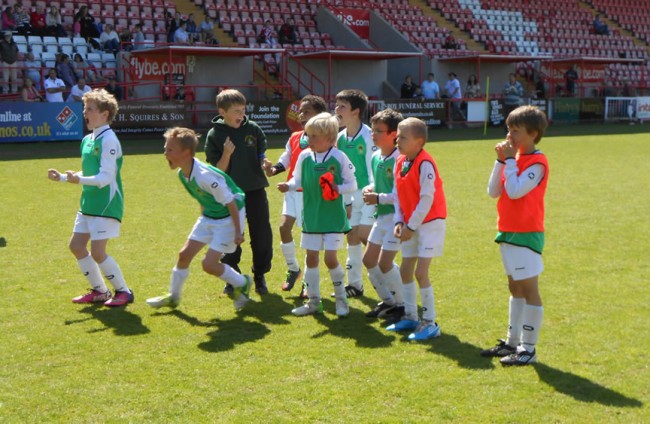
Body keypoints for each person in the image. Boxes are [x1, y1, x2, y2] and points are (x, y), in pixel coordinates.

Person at [146, 127, 252, 311]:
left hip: (228, 218)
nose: (165, 153)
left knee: (208, 265)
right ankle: (173, 296)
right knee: (184, 255)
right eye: (165, 148)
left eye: (169, 150)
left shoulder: (205, 176)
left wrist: (237, 231)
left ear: (186, 152)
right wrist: (204, 220)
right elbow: (202, 198)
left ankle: (242, 282)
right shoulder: (183, 173)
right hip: (209, 216)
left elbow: (231, 203)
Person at [47, 89, 134, 307]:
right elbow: (89, 174)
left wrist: (78, 180)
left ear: (105, 114)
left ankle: (123, 291)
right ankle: (100, 291)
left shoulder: (110, 140)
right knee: (76, 246)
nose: (85, 112)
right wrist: (65, 178)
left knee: (98, 251)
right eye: (85, 108)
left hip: (106, 203)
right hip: (88, 203)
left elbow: (105, 177)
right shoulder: (87, 140)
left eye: (90, 109)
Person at [481, 105, 549, 366]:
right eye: (508, 129)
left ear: (533, 134)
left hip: (526, 233)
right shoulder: (515, 159)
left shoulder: (538, 162)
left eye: (516, 130)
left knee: (529, 289)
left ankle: (528, 349)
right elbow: (493, 191)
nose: (509, 135)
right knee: (515, 287)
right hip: (508, 231)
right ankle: (512, 341)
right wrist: (501, 161)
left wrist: (509, 161)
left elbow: (517, 190)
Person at [277, 112, 357, 317]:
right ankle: (314, 302)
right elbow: (298, 180)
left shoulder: (339, 157)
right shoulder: (304, 156)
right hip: (311, 217)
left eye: (314, 136)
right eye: (308, 135)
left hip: (333, 218)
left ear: (330, 138)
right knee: (311, 258)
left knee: (330, 259)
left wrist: (335, 188)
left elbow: (352, 185)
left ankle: (341, 300)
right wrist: (288, 185)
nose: (309, 140)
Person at [204, 89, 273, 295]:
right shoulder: (215, 134)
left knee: (262, 235)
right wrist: (226, 153)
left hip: (255, 191)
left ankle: (260, 275)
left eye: (243, 110)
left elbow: (261, 153)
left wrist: (264, 162)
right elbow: (218, 171)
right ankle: (232, 276)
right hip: (229, 196)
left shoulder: (253, 128)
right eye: (235, 111)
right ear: (222, 111)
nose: (241, 115)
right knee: (232, 236)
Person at [386, 117, 447, 340]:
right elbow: (398, 196)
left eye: (403, 137)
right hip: (411, 223)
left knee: (421, 272)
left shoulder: (425, 163)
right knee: (405, 270)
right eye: (397, 135)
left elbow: (426, 198)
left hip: (430, 223)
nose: (397, 140)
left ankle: (430, 322)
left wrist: (410, 226)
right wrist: (399, 222)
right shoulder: (400, 161)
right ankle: (410, 316)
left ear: (419, 142)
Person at [263, 95, 328, 295]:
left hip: (312, 196)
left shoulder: (326, 139)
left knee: (311, 243)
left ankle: (308, 284)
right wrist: (273, 170)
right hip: (292, 191)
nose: (301, 115)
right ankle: (293, 269)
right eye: (300, 111)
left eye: (306, 111)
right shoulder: (295, 137)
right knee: (284, 228)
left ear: (320, 115)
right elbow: (286, 159)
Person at [361, 109, 405, 320]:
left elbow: (401, 195)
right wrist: (370, 189)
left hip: (397, 219)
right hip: (381, 217)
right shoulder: (376, 156)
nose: (373, 134)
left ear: (394, 134)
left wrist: (377, 197)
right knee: (369, 259)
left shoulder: (400, 160)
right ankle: (388, 301)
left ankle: (403, 305)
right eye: (373, 130)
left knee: (385, 263)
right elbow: (376, 182)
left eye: (379, 131)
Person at [335, 89, 375, 297]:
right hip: (349, 196)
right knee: (352, 236)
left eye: (342, 106)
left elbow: (374, 167)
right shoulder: (339, 137)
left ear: (356, 112)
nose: (336, 110)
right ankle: (355, 285)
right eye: (336, 105)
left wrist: (372, 192)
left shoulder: (369, 135)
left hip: (368, 195)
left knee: (367, 238)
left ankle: (389, 278)